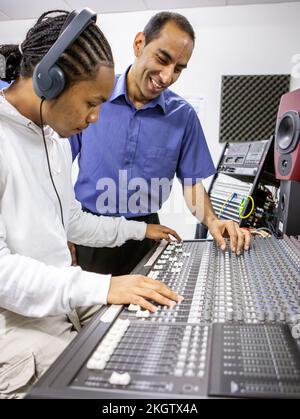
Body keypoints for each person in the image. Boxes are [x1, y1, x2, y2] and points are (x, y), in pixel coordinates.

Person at [0, 9, 182, 399]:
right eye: (91, 102)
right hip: (12, 321)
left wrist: (141, 229)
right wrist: (103, 287)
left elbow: (72, 222)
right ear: (50, 81)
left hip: (56, 300)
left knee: (151, 338)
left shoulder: (52, 140)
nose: (97, 117)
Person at [69, 11, 251, 276]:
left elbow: (191, 185)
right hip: (90, 234)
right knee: (91, 317)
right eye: (162, 59)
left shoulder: (183, 116)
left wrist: (212, 220)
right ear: (139, 43)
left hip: (147, 236)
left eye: (178, 69)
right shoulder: (94, 98)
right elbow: (55, 169)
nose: (167, 77)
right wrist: (61, 228)